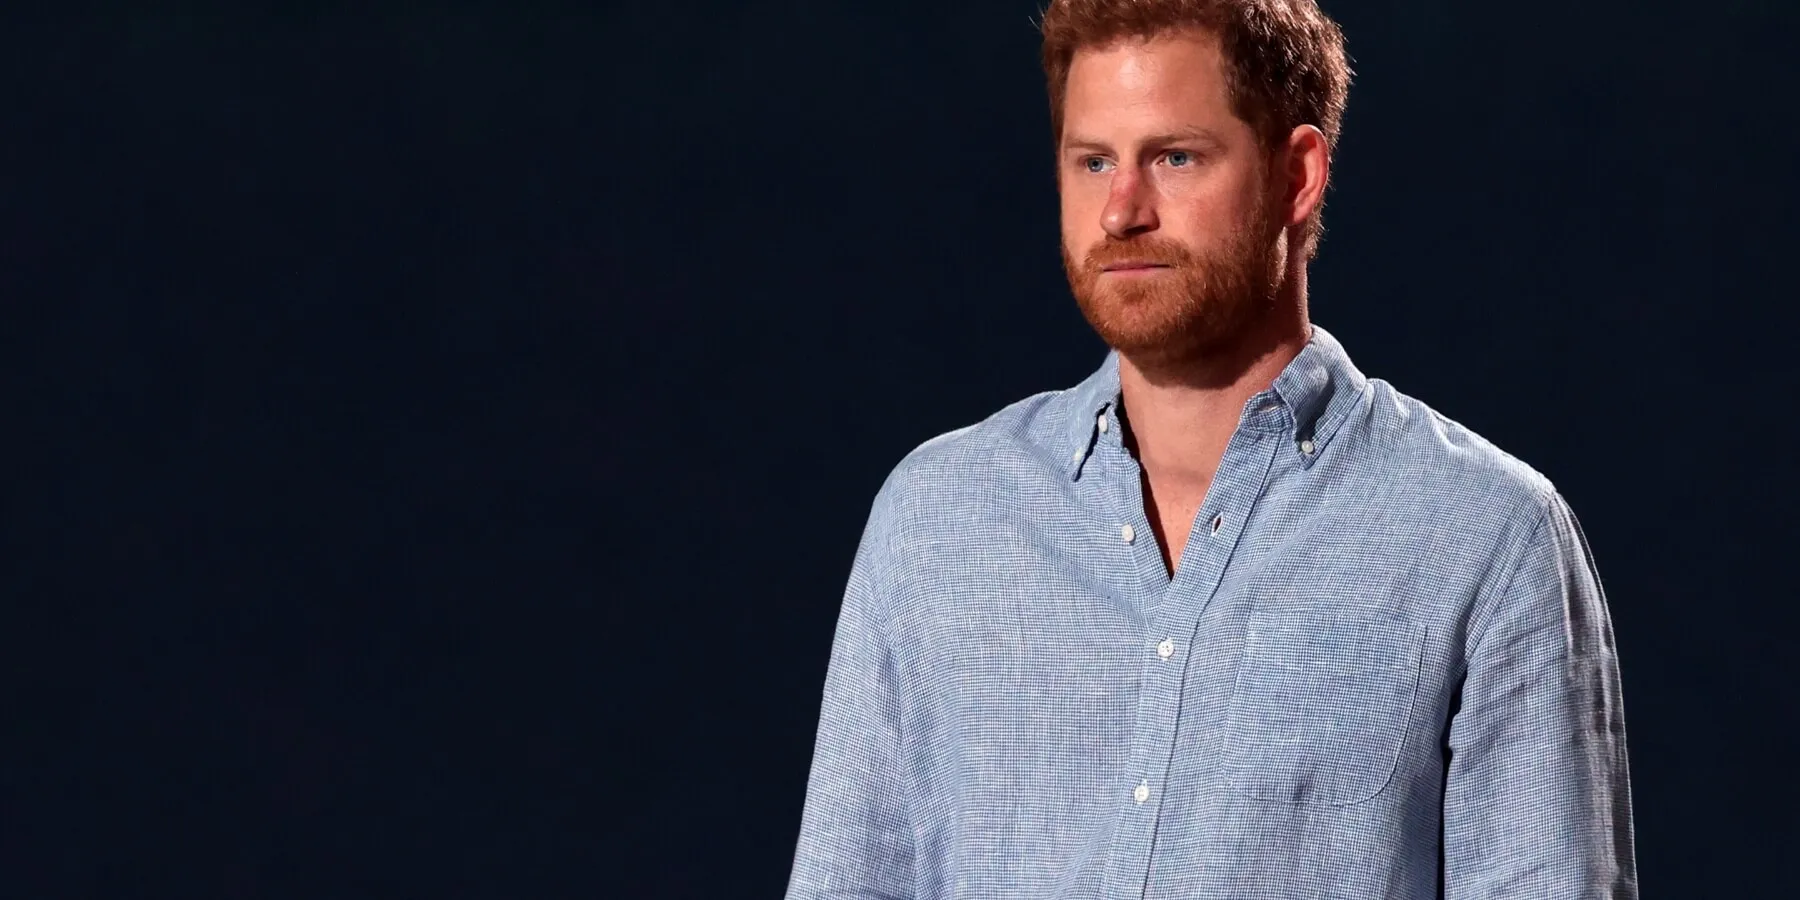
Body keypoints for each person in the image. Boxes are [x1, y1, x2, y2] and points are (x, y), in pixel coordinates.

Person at [784, 0, 1637, 896]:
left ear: (1297, 175)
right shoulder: (936, 517)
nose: (1121, 211)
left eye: (1174, 157)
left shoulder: (1485, 536)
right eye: (1093, 161)